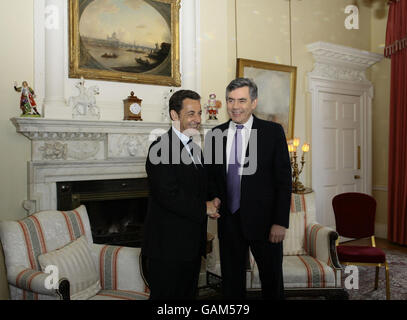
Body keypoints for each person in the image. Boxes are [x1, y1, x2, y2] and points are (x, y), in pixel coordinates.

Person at [205, 78, 292, 300]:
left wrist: (280, 221)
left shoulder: (273, 132)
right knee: (232, 284)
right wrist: (213, 197)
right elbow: (212, 177)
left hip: (266, 224)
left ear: (254, 102)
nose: (235, 106)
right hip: (229, 222)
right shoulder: (215, 134)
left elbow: (283, 180)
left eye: (242, 100)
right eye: (231, 100)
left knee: (272, 281)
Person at [142, 89, 220, 300]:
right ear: (174, 115)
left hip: (191, 247)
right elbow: (168, 195)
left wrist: (214, 197)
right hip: (167, 249)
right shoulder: (160, 149)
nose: (197, 119)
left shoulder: (194, 148)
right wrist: (205, 207)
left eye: (199, 113)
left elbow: (200, 184)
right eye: (191, 114)